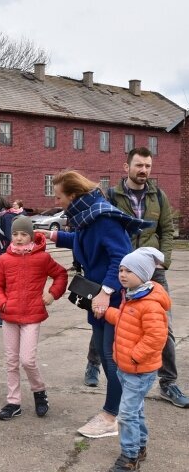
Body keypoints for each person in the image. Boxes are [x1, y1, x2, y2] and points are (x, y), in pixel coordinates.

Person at [46, 169, 151, 439]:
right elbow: (85, 242)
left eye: (59, 196)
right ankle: (119, 410)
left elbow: (121, 257)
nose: (57, 201)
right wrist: (53, 236)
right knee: (108, 357)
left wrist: (105, 291)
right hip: (100, 301)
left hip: (113, 301)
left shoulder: (102, 217)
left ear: (73, 195)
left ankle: (112, 415)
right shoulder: (87, 217)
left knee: (113, 358)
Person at [101, 147, 188, 408]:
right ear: (125, 167)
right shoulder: (112, 196)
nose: (144, 171)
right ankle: (94, 362)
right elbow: (103, 232)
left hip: (153, 273)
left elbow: (167, 231)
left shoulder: (158, 196)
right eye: (139, 165)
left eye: (148, 166)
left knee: (164, 329)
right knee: (109, 319)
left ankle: (168, 383)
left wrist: (165, 261)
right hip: (122, 270)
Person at [0, 217, 68, 421]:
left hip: (31, 316)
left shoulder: (42, 258)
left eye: (24, 234)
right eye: (15, 234)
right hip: (9, 316)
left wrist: (52, 294)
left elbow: (61, 275)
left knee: (27, 360)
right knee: (11, 361)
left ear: (31, 236)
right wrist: (2, 303)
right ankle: (13, 402)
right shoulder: (4, 260)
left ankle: (39, 392)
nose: (19, 238)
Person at [103, 247, 170, 472]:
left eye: (129, 271)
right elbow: (123, 319)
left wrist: (134, 356)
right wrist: (106, 312)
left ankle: (129, 457)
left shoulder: (150, 304)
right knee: (136, 410)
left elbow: (156, 337)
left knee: (127, 414)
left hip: (138, 369)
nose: (122, 274)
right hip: (127, 368)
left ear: (143, 274)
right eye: (121, 269)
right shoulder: (131, 296)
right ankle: (140, 446)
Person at [0, 196, 25, 327]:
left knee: (5, 288)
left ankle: (4, 316)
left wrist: (5, 256)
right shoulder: (6, 216)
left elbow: (10, 237)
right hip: (4, 254)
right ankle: (5, 315)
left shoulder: (5, 217)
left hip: (7, 255)